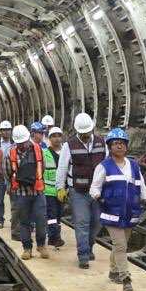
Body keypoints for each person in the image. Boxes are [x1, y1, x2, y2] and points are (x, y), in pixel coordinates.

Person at [90, 128, 146, 291]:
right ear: (110, 147)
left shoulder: (134, 166)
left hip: (130, 213)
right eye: (115, 144)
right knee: (121, 245)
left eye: (122, 143)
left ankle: (114, 271)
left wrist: (145, 198)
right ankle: (126, 278)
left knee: (121, 244)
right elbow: (94, 187)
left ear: (126, 146)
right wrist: (98, 196)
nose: (119, 147)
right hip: (111, 212)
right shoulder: (104, 166)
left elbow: (140, 184)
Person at [55, 113, 106, 269]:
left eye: (87, 132)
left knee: (97, 222)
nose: (85, 135)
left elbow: (108, 165)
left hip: (98, 191)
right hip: (78, 191)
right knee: (82, 223)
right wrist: (60, 187)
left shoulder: (101, 143)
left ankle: (89, 246)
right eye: (82, 133)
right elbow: (62, 167)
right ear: (77, 131)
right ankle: (83, 255)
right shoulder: (69, 145)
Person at [4, 125, 49, 260]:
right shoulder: (11, 154)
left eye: (24, 142)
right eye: (20, 143)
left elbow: (43, 166)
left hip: (37, 192)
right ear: (16, 142)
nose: (23, 145)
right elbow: (8, 173)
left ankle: (41, 245)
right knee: (24, 222)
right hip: (21, 194)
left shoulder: (38, 150)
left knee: (41, 219)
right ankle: (27, 248)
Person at [44, 126, 66, 248]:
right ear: (49, 138)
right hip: (48, 190)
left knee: (58, 215)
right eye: (54, 136)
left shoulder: (65, 152)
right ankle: (56, 237)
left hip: (61, 190)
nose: (57, 139)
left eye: (59, 136)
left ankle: (52, 238)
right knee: (52, 215)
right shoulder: (45, 153)